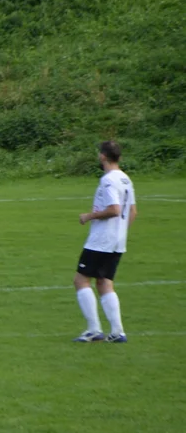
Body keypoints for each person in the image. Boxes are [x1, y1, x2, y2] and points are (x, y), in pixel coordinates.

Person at [73, 140, 137, 343]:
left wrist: (89, 216)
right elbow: (132, 211)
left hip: (101, 241)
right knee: (104, 283)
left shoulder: (108, 180)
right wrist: (120, 233)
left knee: (81, 280)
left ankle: (93, 329)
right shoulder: (126, 179)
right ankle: (117, 332)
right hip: (117, 241)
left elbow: (114, 209)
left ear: (102, 156)